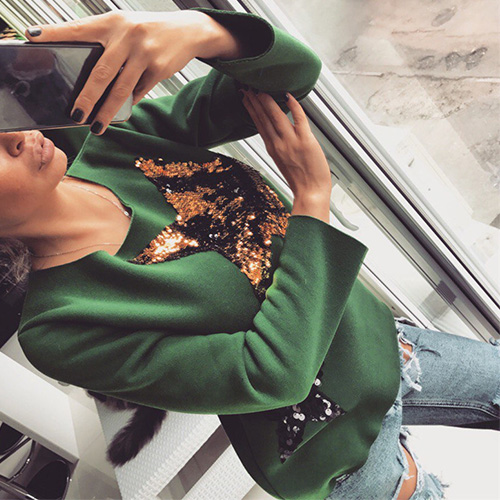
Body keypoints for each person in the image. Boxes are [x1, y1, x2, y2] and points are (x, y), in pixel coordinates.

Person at [0, 7, 498, 500]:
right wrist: (311, 200)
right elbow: (268, 375)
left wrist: (201, 32)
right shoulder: (58, 330)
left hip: (385, 345)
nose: (14, 134)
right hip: (343, 455)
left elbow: (289, 81)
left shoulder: (100, 142)